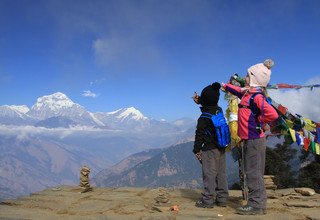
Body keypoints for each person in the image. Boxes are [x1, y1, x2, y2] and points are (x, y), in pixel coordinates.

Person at [222, 59, 278, 215]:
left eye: (247, 76)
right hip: (250, 138)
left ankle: (256, 205)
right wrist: (226, 86)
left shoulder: (257, 97)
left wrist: (261, 121)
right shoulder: (248, 93)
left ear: (254, 79)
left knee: (254, 172)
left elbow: (272, 114)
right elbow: (237, 90)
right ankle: (257, 202)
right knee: (252, 170)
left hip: (254, 139)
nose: (245, 78)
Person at [193, 82, 229, 208]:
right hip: (222, 147)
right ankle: (222, 199)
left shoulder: (203, 117)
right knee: (221, 174)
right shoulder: (219, 111)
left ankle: (207, 200)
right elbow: (210, 104)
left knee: (209, 174)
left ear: (205, 100)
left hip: (209, 149)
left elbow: (199, 135)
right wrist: (201, 101)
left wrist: (196, 149)